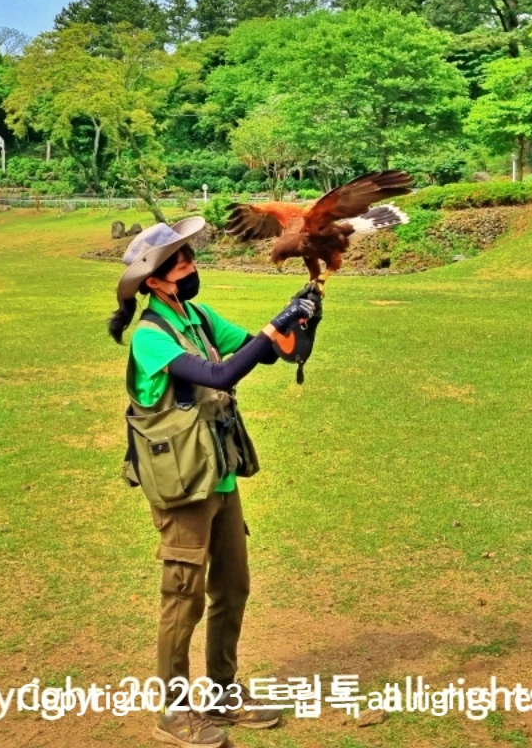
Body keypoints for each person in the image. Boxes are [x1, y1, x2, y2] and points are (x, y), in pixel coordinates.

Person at [109, 218, 319, 747]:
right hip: (182, 482)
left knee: (233, 586)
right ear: (155, 282)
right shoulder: (149, 337)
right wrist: (275, 328)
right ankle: (174, 713)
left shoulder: (197, 315)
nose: (190, 266)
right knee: (184, 597)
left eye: (189, 256)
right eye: (179, 262)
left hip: (219, 472)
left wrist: (299, 319)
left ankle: (223, 693)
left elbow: (263, 351)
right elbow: (221, 375)